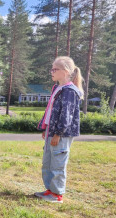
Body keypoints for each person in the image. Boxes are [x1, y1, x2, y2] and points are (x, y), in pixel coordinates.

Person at [34, 56, 83, 203]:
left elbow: (66, 115)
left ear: (66, 71)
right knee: (48, 163)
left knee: (58, 164)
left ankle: (57, 195)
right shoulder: (58, 88)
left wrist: (58, 134)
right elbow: (51, 111)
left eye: (55, 69)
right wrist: (47, 128)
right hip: (52, 131)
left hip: (61, 134)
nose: (51, 71)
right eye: (52, 68)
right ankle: (50, 190)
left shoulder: (70, 91)